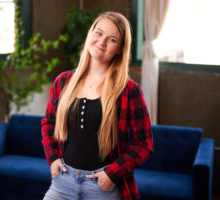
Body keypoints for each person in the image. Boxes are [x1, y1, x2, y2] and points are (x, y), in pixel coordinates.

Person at [41, 11, 153, 200]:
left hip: (103, 188)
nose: (102, 41)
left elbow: (144, 144)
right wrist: (53, 159)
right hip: (62, 182)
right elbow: (48, 124)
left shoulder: (128, 90)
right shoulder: (63, 81)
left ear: (120, 49)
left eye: (112, 39)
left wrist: (112, 174)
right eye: (99, 33)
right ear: (90, 34)